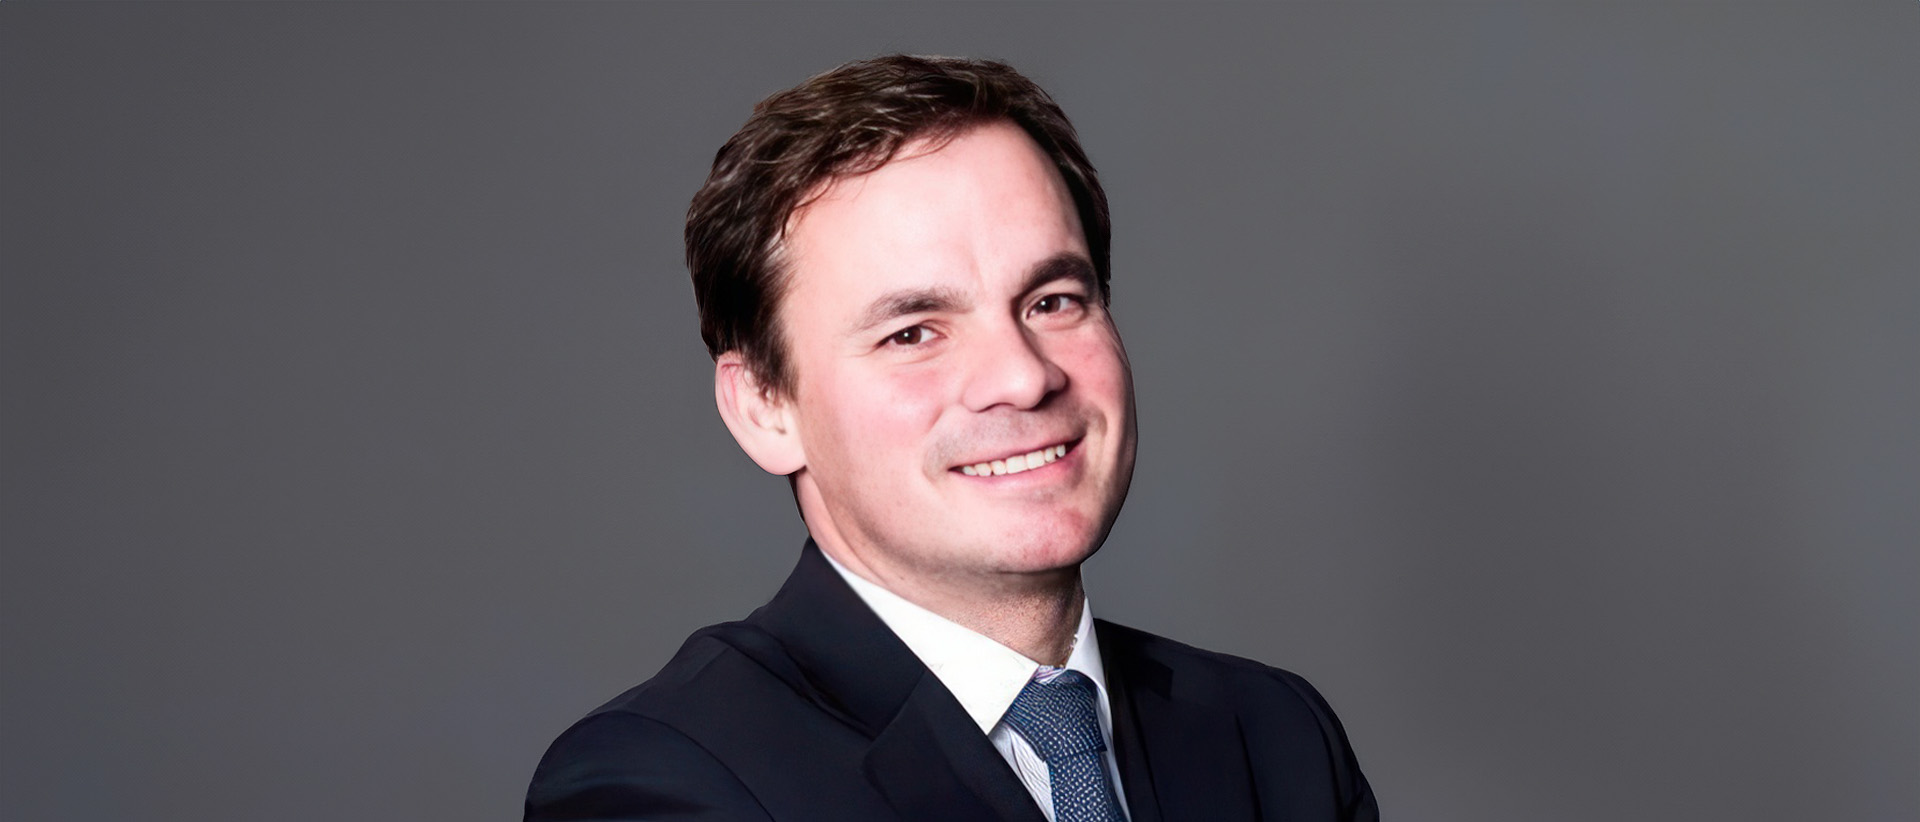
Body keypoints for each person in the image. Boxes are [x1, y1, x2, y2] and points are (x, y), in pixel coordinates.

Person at [525, 54, 1377, 822]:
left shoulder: (1274, 737)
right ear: (764, 407)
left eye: (1053, 301)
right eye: (913, 332)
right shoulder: (663, 779)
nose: (1022, 377)